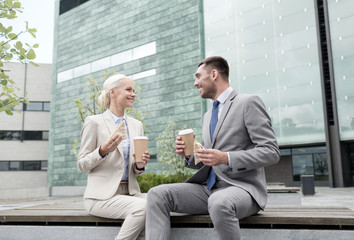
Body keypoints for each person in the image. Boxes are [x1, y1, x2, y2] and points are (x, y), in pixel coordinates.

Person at [146, 56, 280, 240]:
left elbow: (271, 151)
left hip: (242, 188)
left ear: (214, 74)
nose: (195, 83)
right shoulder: (208, 115)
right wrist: (188, 155)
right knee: (157, 194)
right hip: (209, 189)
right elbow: (208, 158)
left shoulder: (248, 103)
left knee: (219, 203)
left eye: (198, 76)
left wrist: (226, 158)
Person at [77, 74, 150, 240]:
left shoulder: (136, 125)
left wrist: (140, 164)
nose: (134, 94)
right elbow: (81, 164)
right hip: (100, 196)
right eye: (129, 89)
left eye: (134, 90)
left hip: (130, 193)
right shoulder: (94, 122)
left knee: (161, 201)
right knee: (144, 207)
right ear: (113, 92)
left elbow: (136, 170)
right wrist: (102, 150)